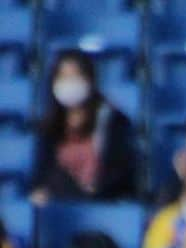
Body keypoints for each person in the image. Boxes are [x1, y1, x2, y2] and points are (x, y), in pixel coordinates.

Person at [30, 50, 138, 205]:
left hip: (102, 200)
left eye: (75, 76)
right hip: (59, 202)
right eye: (63, 77)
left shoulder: (114, 121)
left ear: (89, 80)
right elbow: (41, 174)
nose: (69, 84)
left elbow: (120, 171)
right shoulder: (49, 126)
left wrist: (96, 189)